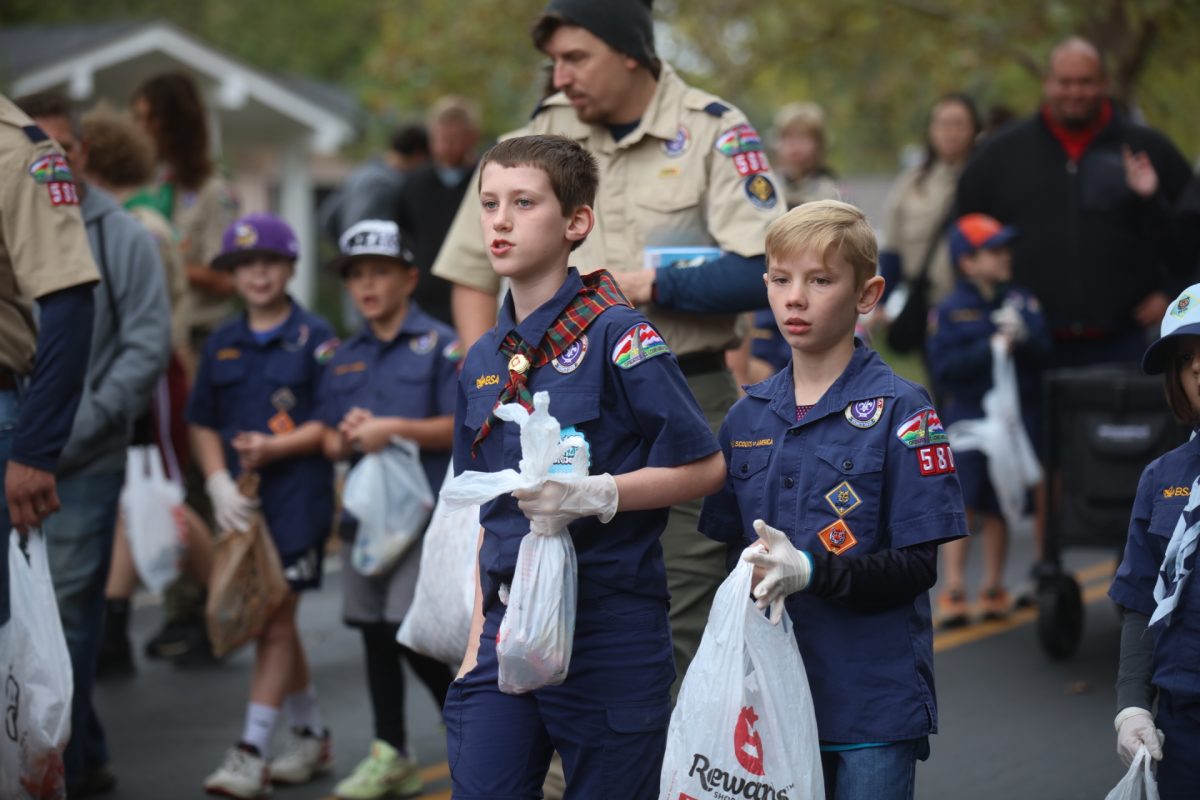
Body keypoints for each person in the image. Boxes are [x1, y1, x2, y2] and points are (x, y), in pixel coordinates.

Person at [432, 0, 783, 697]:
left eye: (576, 58)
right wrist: (493, 383)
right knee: (536, 606)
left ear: (631, 53)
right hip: (549, 412)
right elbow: (470, 271)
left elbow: (762, 269)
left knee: (669, 610)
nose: (560, 77)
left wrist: (652, 283)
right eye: (553, 62)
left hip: (677, 397)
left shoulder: (714, 130)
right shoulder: (544, 129)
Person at [446, 134, 725, 797]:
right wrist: (473, 643)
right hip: (507, 628)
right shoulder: (483, 357)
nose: (500, 221)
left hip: (608, 626)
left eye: (523, 203)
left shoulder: (619, 335)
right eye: (489, 204)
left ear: (576, 222)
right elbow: (485, 512)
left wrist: (598, 494)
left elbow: (705, 466)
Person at [698, 200, 968, 800]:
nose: (795, 298)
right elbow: (726, 563)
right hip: (765, 705)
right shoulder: (746, 416)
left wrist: (814, 572)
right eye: (780, 279)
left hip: (868, 704)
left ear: (866, 294)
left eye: (820, 280)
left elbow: (919, 565)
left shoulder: (904, 411)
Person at [17, 91, 173, 798]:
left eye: (61, 148)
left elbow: (144, 343)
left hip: (86, 452)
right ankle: (85, 748)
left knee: (74, 609)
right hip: (19, 440)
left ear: (81, 152)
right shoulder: (12, 211)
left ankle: (67, 771)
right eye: (37, 147)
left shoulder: (124, 237)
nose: (48, 161)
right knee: (27, 613)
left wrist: (82, 424)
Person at [188, 214, 337, 798]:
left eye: (268, 262)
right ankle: (311, 731)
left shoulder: (315, 335)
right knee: (275, 620)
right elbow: (201, 421)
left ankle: (251, 749)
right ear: (230, 275)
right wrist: (217, 482)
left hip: (297, 500)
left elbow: (330, 419)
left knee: (273, 618)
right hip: (241, 509)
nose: (257, 274)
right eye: (244, 265)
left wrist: (277, 446)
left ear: (290, 267)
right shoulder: (222, 342)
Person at [318, 219, 459, 799]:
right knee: (373, 634)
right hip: (366, 519)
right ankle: (390, 750)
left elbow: (460, 426)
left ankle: (470, 727)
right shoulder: (343, 355)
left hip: (420, 519)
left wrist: (393, 429)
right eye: (356, 276)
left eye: (380, 272)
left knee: (410, 633)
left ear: (409, 277)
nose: (367, 285)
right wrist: (350, 434)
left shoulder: (440, 345)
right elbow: (329, 441)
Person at [76, 104, 217, 677]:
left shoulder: (141, 226)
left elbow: (153, 322)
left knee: (160, 490)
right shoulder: (119, 218)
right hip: (132, 372)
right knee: (130, 495)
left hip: (158, 373)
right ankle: (111, 622)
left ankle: (238, 597)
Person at [956, 37, 1193, 370]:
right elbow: (961, 238)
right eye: (1065, 82)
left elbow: (1190, 239)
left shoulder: (1149, 150)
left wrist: (1172, 292)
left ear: (1105, 83)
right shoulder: (999, 156)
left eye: (1086, 82)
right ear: (1047, 83)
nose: (1075, 92)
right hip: (1028, 345)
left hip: (1128, 345)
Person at [131, 71, 242, 661]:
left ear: (174, 121)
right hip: (159, 354)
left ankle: (212, 611)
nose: (142, 129)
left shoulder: (212, 190)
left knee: (200, 480)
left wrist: (171, 257)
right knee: (167, 479)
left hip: (199, 352)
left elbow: (230, 276)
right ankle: (178, 606)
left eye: (150, 118)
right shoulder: (153, 187)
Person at [926, 214, 1050, 626]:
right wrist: (989, 347)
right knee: (964, 500)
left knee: (1002, 499)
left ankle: (994, 585)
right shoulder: (950, 310)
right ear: (968, 262)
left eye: (1004, 249)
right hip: (968, 419)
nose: (1004, 257)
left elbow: (1046, 356)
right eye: (993, 251)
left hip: (1014, 421)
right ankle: (955, 586)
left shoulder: (1021, 302)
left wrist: (1023, 338)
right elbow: (943, 369)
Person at [1108, 282, 1200, 797]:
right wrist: (1132, 704)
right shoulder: (1163, 477)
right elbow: (1142, 600)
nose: (1198, 368)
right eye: (1185, 356)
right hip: (1186, 722)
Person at [879, 93, 981, 315]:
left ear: (974, 129)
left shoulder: (988, 179)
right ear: (931, 130)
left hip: (978, 305)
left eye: (959, 124)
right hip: (928, 304)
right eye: (943, 124)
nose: (951, 132)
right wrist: (881, 302)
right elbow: (892, 249)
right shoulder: (912, 183)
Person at [394, 96, 481, 326]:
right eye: (439, 138)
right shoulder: (412, 183)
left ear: (472, 137)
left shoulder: (485, 180)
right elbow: (403, 235)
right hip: (423, 297)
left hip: (474, 291)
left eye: (453, 139)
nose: (445, 146)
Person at [318, 122, 430, 245]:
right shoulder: (388, 184)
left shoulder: (359, 173)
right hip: (372, 258)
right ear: (419, 156)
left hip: (352, 256)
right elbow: (382, 239)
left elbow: (326, 219)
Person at [772, 101, 840, 208]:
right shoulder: (769, 186)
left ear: (818, 144)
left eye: (802, 138)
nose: (794, 145)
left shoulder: (831, 191)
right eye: (788, 137)